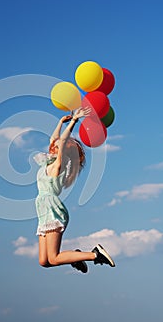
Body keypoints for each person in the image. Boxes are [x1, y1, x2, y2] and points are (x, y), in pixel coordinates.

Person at [33, 107, 115, 273]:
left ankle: (95, 255)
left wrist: (73, 121)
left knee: (54, 257)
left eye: (56, 145)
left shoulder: (58, 166)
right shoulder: (47, 163)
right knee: (44, 261)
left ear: (61, 150)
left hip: (52, 210)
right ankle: (76, 256)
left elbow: (61, 142)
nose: (53, 144)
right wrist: (60, 123)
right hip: (43, 211)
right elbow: (54, 139)